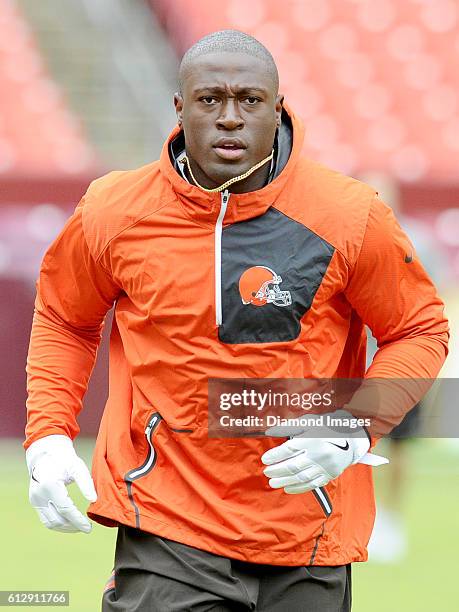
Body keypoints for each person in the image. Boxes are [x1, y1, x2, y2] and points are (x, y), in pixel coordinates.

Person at [24, 30, 449, 611]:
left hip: (309, 528)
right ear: (179, 108)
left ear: (277, 108)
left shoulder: (350, 216)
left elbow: (419, 330)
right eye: (210, 100)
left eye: (249, 101)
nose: (230, 118)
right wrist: (47, 435)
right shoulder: (113, 210)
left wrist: (353, 424)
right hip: (167, 526)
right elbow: (65, 319)